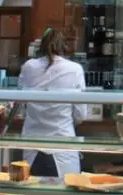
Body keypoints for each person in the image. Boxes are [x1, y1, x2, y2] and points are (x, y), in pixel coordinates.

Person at [18, 28, 88, 177]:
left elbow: (21, 102)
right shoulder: (75, 69)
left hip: (32, 145)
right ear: (64, 46)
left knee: (31, 190)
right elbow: (81, 115)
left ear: (41, 46)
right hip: (63, 144)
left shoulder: (29, 66)